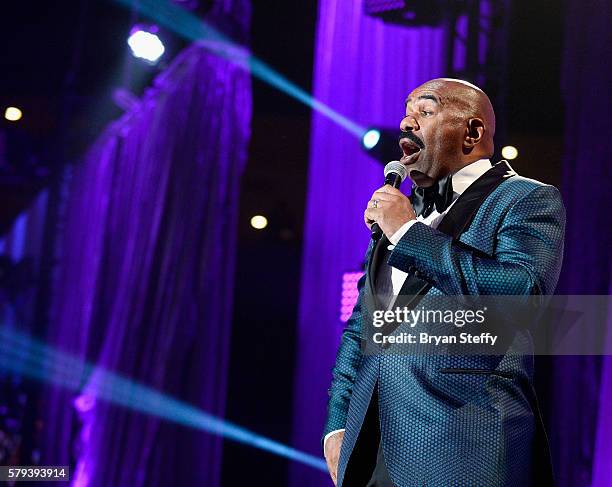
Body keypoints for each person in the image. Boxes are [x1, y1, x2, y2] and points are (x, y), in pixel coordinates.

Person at [323, 78, 565, 486]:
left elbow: (521, 294)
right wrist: (338, 423)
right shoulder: (404, 209)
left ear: (471, 131)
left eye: (426, 111)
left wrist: (408, 235)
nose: (405, 122)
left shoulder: (527, 199)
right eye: (407, 110)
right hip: (370, 451)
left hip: (463, 449)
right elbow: (363, 326)